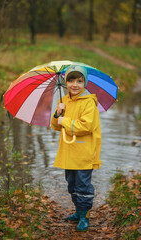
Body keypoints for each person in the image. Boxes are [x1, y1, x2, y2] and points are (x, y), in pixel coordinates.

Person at [50, 65, 102, 231]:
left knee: (83, 186)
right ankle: (78, 211)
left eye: (79, 81)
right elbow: (56, 127)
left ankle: (85, 216)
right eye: (71, 80)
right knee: (71, 184)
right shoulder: (63, 100)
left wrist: (64, 121)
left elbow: (86, 127)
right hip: (68, 152)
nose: (75, 84)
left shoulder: (89, 103)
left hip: (83, 152)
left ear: (84, 83)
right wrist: (58, 114)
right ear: (66, 82)